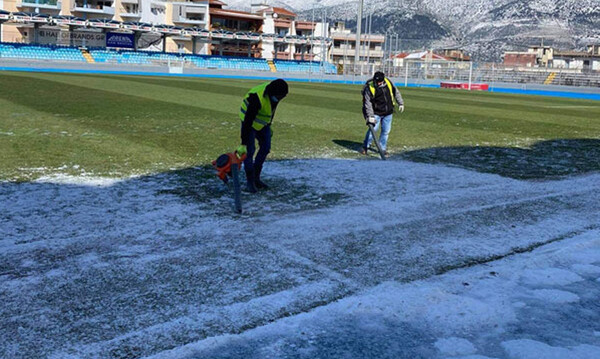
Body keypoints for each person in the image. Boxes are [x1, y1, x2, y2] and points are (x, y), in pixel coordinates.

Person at [237, 79, 289, 193]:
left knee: (265, 148)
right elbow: (247, 122)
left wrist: (269, 125)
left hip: (263, 124)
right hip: (249, 122)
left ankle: (256, 178)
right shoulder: (256, 98)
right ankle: (250, 181)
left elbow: (271, 111)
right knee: (249, 151)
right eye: (280, 97)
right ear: (273, 93)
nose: (280, 99)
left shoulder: (275, 94)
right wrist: (243, 143)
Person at [361, 71, 405, 156]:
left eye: (380, 82)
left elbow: (396, 92)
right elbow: (368, 103)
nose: (378, 83)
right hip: (376, 113)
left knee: (385, 131)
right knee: (373, 131)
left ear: (383, 80)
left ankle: (382, 148)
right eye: (377, 82)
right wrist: (370, 116)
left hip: (388, 112)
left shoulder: (389, 82)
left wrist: (401, 103)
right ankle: (365, 146)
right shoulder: (369, 87)